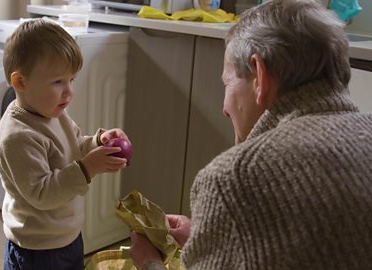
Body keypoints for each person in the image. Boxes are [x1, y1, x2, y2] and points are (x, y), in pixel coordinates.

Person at [130, 0, 372, 269]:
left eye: (227, 82)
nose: (224, 108)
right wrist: (213, 237)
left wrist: (150, 263)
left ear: (260, 75)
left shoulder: (234, 178)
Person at [0, 19, 129, 270]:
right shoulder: (18, 137)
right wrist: (87, 168)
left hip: (66, 235)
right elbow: (42, 194)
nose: (69, 91)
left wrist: (97, 142)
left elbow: (73, 145)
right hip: (37, 248)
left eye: (72, 80)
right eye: (58, 82)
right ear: (20, 82)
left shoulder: (52, 113)